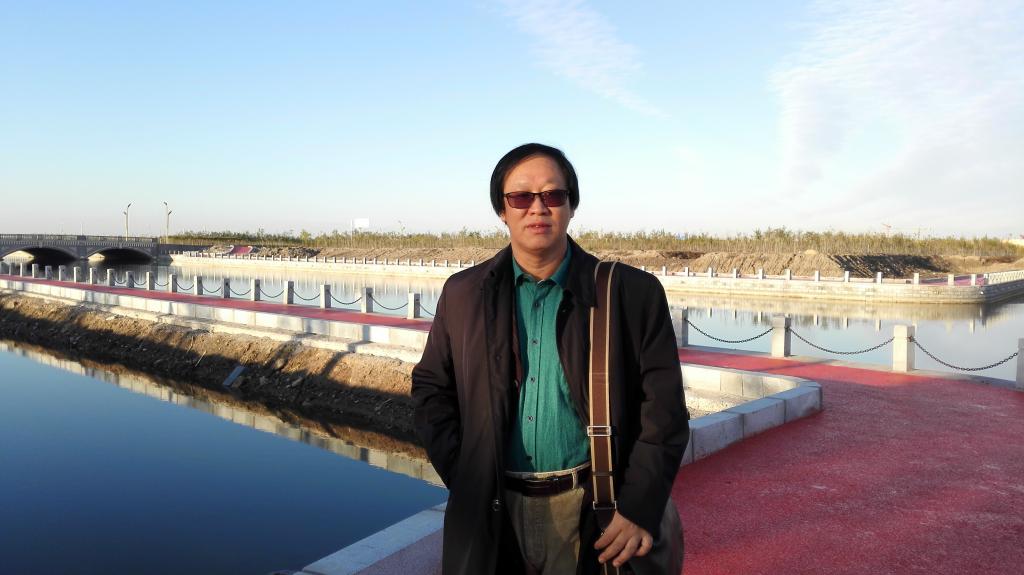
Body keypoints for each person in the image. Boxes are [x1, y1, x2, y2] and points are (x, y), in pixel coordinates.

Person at [412, 143, 689, 575]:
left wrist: (638, 506)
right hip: (492, 511)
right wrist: (468, 476)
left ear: (571, 206)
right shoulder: (464, 294)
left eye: (553, 195)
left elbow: (664, 411)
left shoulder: (629, 294)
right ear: (502, 210)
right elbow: (432, 389)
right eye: (521, 197)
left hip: (593, 510)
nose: (537, 208)